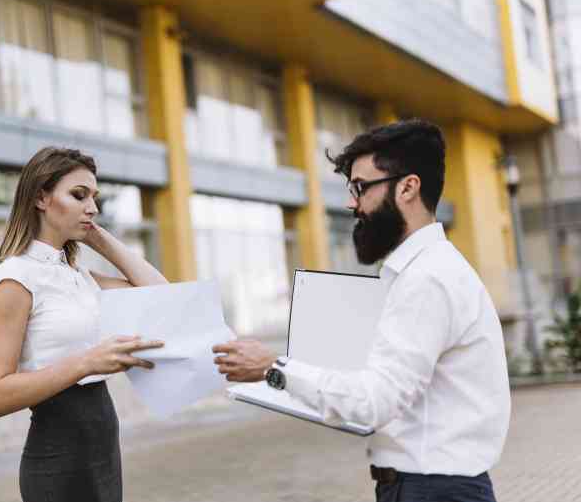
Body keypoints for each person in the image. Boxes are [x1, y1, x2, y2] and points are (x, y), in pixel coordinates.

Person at [213, 119, 511, 502]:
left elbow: (374, 402)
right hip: (429, 487)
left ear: (408, 187)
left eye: (360, 188)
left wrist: (273, 368)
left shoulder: (427, 280)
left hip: (432, 489)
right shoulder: (424, 272)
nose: (352, 203)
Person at [0, 147, 167, 502]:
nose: (92, 207)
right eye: (79, 195)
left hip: (102, 454)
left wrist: (98, 237)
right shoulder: (14, 279)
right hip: (58, 460)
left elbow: (161, 294)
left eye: (94, 198)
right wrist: (87, 362)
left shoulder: (78, 275)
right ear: (40, 197)